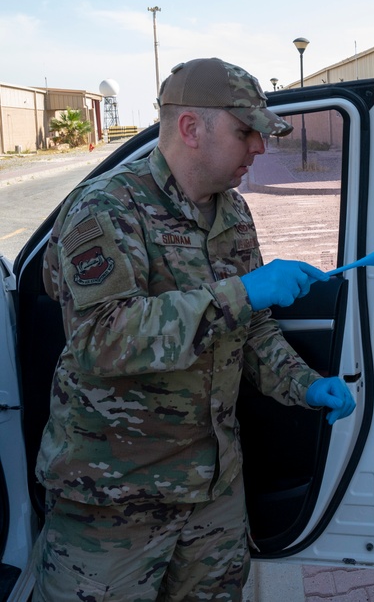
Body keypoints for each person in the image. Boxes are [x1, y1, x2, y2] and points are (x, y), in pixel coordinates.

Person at [33, 57, 357, 600]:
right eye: (245, 131)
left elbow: (250, 330)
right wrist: (243, 293)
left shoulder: (233, 214)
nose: (258, 147)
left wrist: (302, 383)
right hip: (112, 498)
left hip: (213, 488)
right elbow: (102, 339)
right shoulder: (107, 206)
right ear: (191, 129)